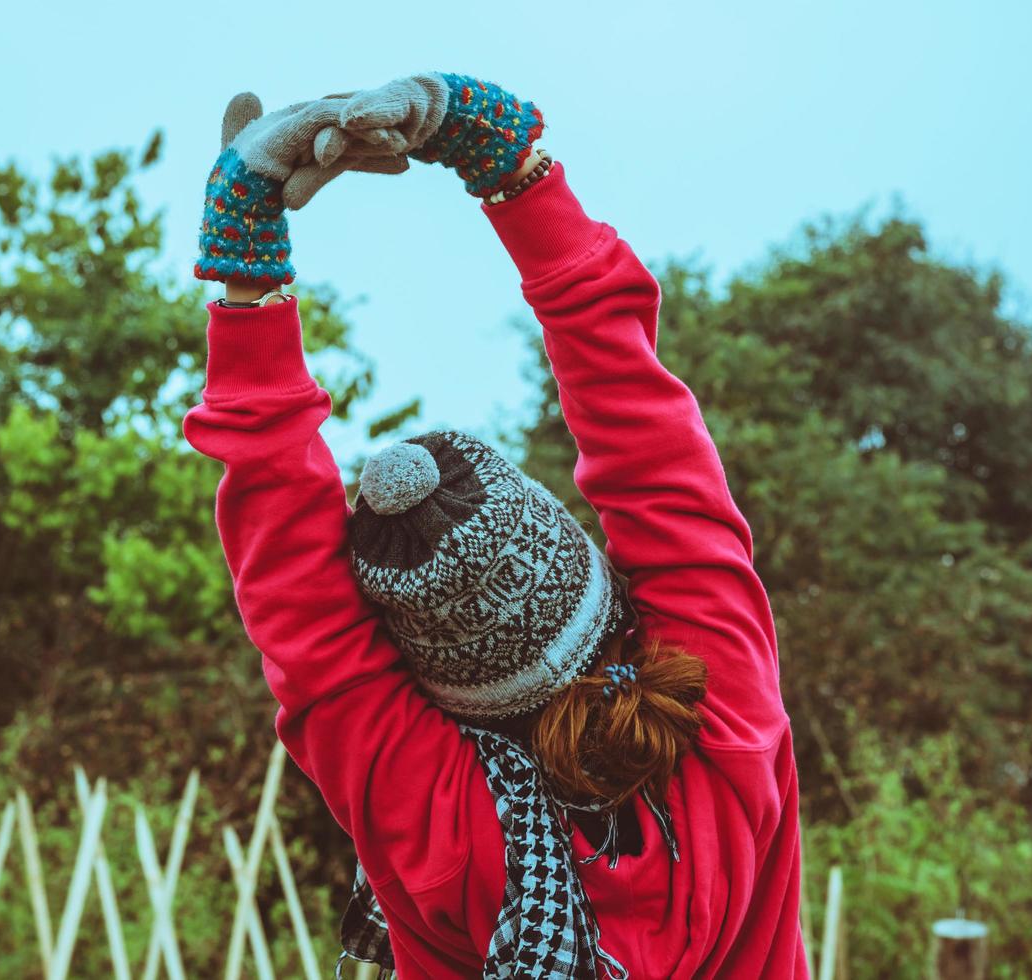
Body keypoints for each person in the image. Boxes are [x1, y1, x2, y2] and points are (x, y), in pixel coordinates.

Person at [183, 72, 809, 979]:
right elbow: (656, 458)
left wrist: (248, 269)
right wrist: (511, 164)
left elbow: (302, 612)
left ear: (429, 677)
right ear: (602, 599)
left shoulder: (435, 821)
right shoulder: (724, 720)